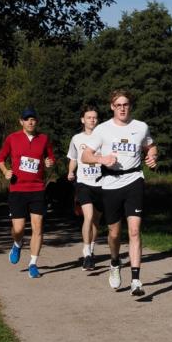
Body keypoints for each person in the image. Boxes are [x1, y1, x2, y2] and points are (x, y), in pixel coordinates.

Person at [81, 89, 158, 297]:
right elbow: (85, 155)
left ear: (129, 106)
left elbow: (150, 146)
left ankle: (136, 280)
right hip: (110, 183)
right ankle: (115, 262)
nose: (122, 108)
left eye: (125, 105)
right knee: (114, 233)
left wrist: (152, 156)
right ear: (112, 107)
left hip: (134, 180)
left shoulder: (140, 127)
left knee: (134, 230)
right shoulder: (102, 129)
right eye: (118, 105)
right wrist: (101, 159)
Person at [0, 107, 55, 279]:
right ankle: (17, 243)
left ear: (36, 121)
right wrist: (5, 171)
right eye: (27, 119)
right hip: (17, 189)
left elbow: (51, 157)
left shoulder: (43, 139)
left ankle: (33, 263)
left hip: (37, 189)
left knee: (38, 227)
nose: (30, 122)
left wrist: (49, 162)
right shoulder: (12, 138)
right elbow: (0, 158)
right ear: (21, 121)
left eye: (33, 119)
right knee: (19, 228)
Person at [67, 105, 111, 271]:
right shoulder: (77, 139)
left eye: (95, 117)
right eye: (89, 117)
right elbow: (73, 158)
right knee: (88, 215)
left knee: (96, 220)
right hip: (83, 182)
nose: (92, 120)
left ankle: (91, 251)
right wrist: (71, 171)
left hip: (101, 182)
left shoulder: (104, 137)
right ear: (82, 120)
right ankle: (86, 254)